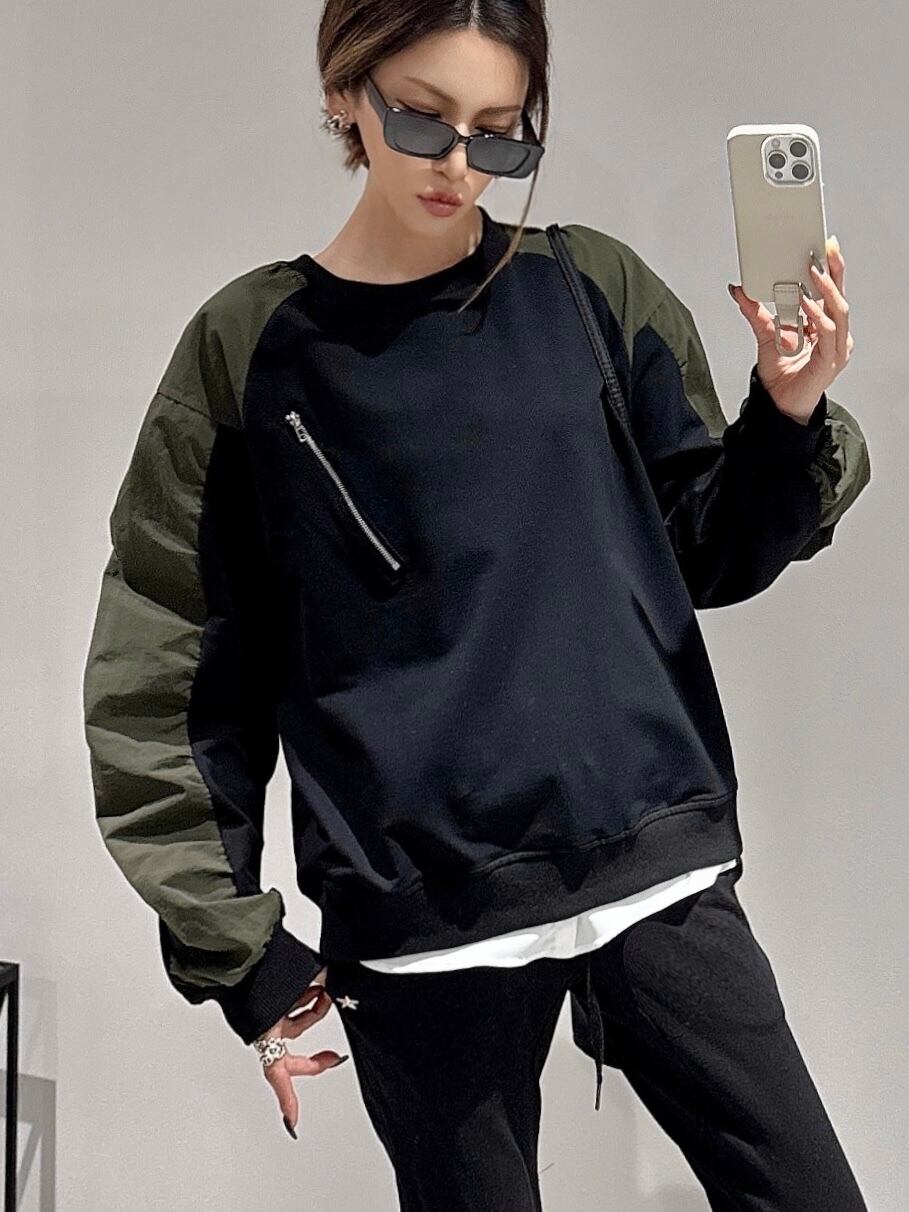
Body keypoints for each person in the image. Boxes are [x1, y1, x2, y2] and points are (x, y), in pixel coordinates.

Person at [81, 1, 872, 1207]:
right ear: (344, 91)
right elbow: (175, 669)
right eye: (423, 118)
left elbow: (706, 552)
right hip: (424, 924)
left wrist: (789, 411)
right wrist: (235, 947)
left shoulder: (586, 289)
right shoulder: (254, 350)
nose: (460, 163)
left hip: (654, 862)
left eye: (501, 133)